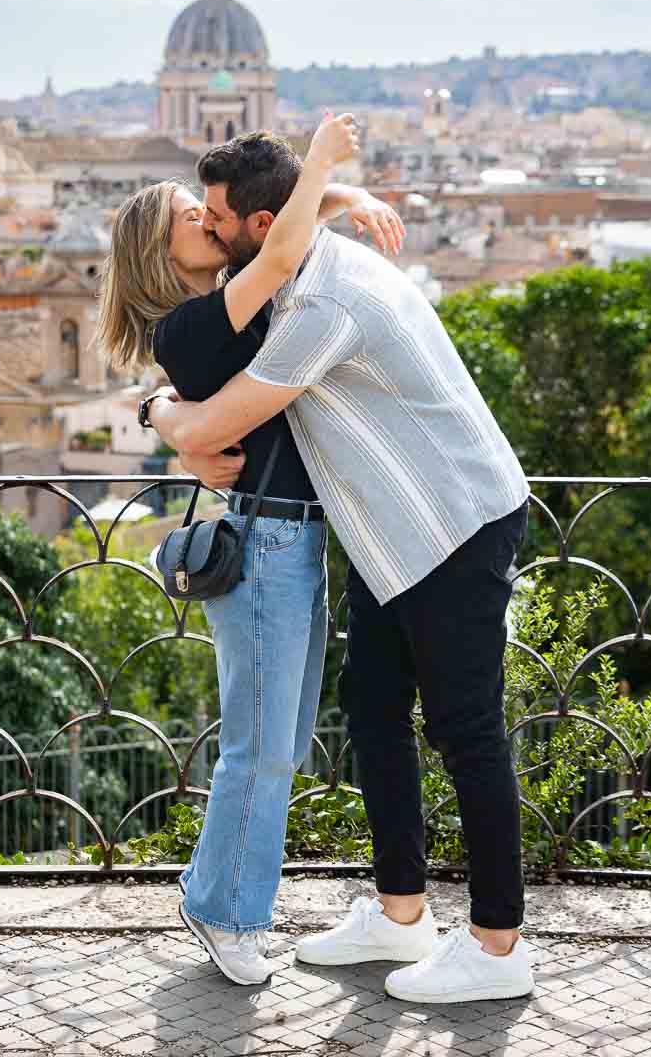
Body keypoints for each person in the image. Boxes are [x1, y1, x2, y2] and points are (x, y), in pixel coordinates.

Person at [148, 132, 535, 1006]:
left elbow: (213, 430)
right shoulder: (298, 275)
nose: (207, 231)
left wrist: (169, 417)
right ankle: (401, 915)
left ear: (257, 225)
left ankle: (498, 945)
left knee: (467, 730)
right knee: (374, 715)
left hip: (454, 522)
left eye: (215, 218)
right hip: (390, 530)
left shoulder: (324, 305)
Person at [95, 115, 407, 987]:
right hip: (268, 539)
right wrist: (322, 164)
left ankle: (218, 895)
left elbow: (277, 229)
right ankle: (226, 910)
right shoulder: (192, 325)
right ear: (162, 256)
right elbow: (275, 252)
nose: (213, 222)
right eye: (192, 221)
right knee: (262, 746)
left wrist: (344, 194)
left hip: (293, 536)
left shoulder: (221, 304)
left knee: (285, 740)